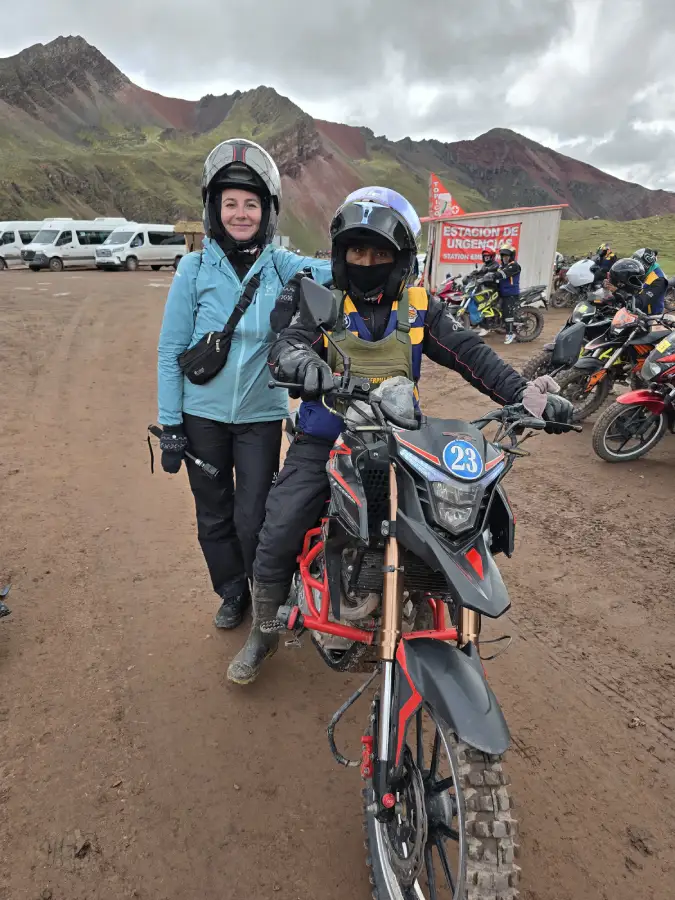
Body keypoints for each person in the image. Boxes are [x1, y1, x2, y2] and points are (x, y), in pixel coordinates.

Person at [226, 185, 574, 685]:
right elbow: (288, 344)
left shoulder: (420, 308)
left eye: (380, 252)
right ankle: (262, 629)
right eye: (357, 250)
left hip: (401, 443)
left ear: (401, 258)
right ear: (342, 255)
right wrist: (301, 362)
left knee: (451, 524)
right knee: (279, 525)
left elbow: (472, 355)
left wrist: (527, 396)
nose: (367, 261)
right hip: (327, 439)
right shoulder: (322, 301)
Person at [157, 138, 331, 631]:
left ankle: (265, 589)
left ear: (267, 211)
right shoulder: (193, 269)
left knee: (255, 516)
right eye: (229, 203)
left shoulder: (279, 264)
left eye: (250, 204)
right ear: (214, 209)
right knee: (213, 514)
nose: (240, 213)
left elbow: (329, 274)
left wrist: (370, 261)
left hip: (260, 415)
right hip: (202, 416)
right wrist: (171, 424)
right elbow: (171, 351)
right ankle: (232, 593)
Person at [493, 244, 522, 345]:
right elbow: (494, 271)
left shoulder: (514, 266)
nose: (505, 258)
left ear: (511, 256)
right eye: (503, 256)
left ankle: (510, 333)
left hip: (511, 293)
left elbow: (502, 274)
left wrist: (492, 275)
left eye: (507, 256)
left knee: (507, 313)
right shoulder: (501, 266)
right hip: (502, 292)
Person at [632, 248, 668, 315]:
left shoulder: (659, 280)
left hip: (650, 316)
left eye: (638, 263)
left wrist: (617, 291)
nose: (635, 267)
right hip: (637, 308)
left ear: (646, 265)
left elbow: (640, 302)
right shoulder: (641, 272)